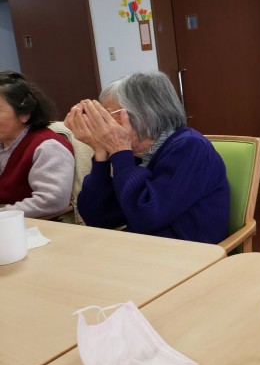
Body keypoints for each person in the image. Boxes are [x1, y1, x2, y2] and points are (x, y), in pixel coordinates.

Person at [64, 71, 230, 244]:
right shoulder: (138, 153)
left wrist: (120, 152)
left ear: (146, 114)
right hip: (147, 246)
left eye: (111, 116)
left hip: (189, 251)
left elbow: (145, 218)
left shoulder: (190, 146)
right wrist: (100, 152)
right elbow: (97, 218)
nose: (106, 125)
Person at [0, 71, 74, 218]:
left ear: (24, 113)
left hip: (33, 226)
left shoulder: (48, 147)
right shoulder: (3, 142)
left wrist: (4, 215)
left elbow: (52, 201)